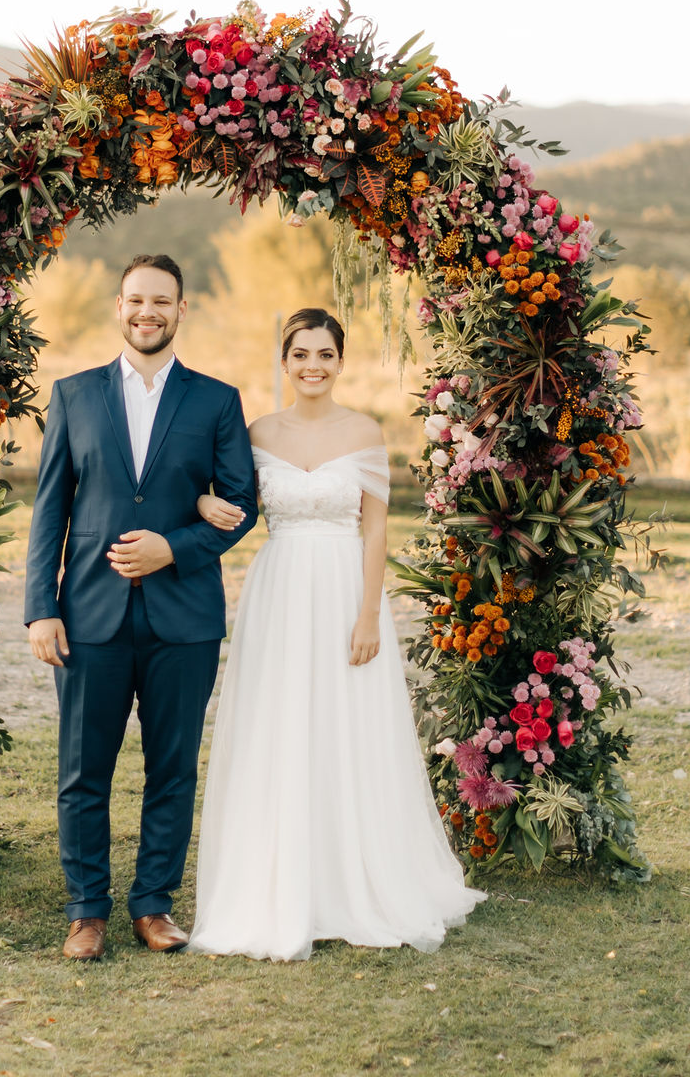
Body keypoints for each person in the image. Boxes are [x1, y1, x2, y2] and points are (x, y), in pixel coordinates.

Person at [188, 308, 485, 961]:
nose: (313, 366)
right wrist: (205, 502)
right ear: (285, 360)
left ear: (340, 361)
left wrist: (369, 613)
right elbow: (224, 498)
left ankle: (355, 881)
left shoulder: (365, 432)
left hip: (345, 588)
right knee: (282, 725)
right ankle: (280, 884)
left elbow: (376, 528)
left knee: (346, 728)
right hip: (280, 589)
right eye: (300, 354)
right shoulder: (257, 430)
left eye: (325, 354)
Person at [25, 254, 258, 961]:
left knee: (173, 767)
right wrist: (41, 606)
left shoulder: (217, 400)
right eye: (135, 300)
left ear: (181, 309)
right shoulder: (72, 395)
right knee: (82, 769)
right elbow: (50, 510)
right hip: (89, 614)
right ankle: (86, 910)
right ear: (118, 306)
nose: (147, 312)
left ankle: (153, 905)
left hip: (182, 617)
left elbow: (242, 505)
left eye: (161, 301)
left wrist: (174, 548)